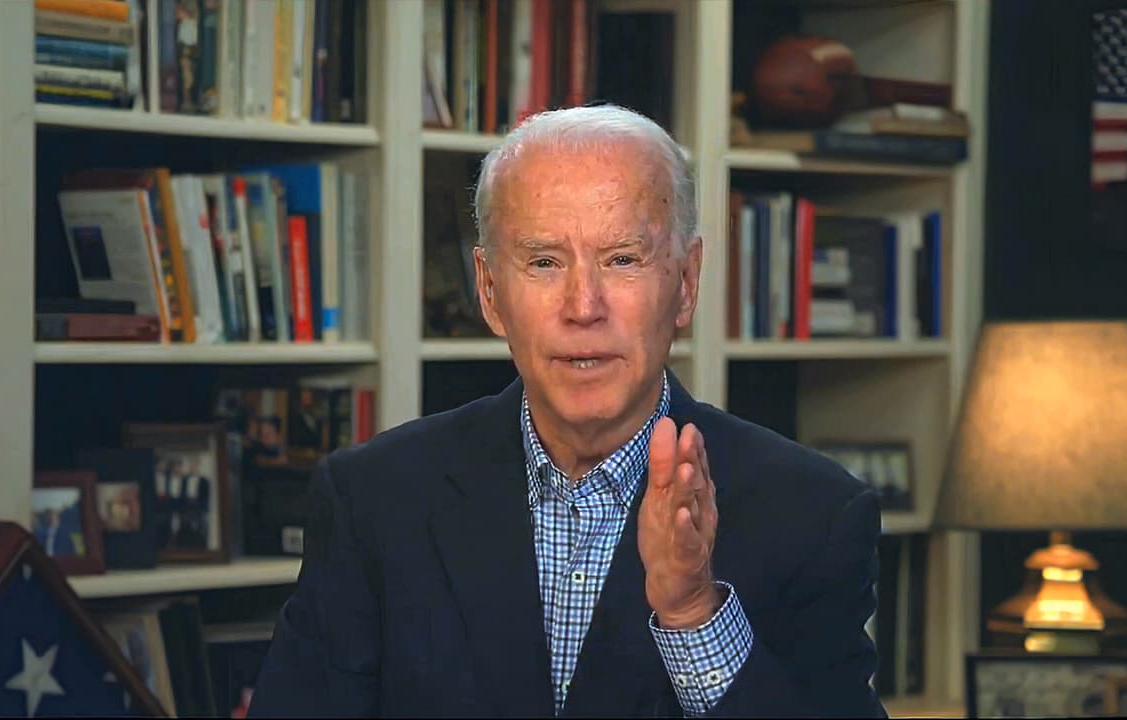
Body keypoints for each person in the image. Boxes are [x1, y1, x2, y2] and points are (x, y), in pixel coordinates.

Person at [249, 105, 884, 718]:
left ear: (686, 284)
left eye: (622, 260)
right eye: (545, 262)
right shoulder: (372, 499)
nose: (583, 306)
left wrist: (694, 614)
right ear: (491, 293)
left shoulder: (815, 515)